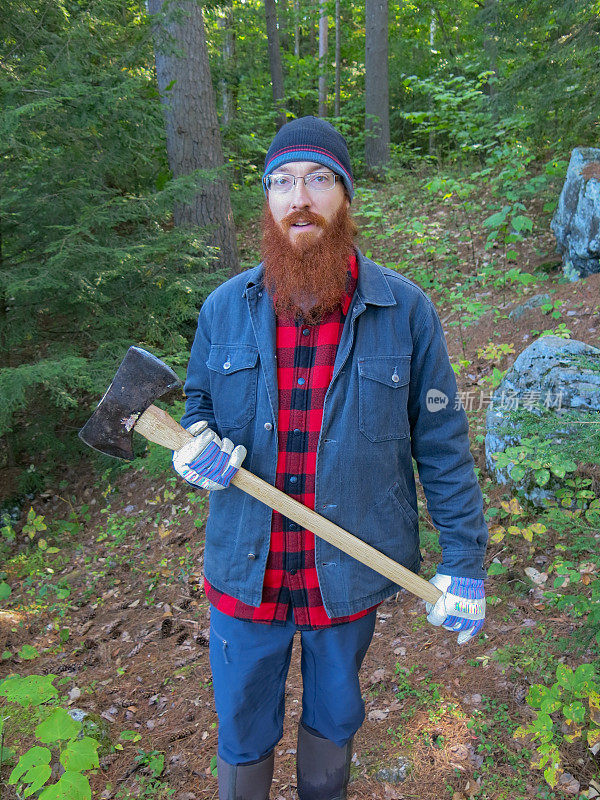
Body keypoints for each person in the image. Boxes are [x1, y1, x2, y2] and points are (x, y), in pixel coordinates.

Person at [172, 116, 488, 800]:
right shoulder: (225, 308)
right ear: (267, 201)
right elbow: (195, 400)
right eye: (281, 182)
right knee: (243, 730)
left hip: (345, 574)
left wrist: (463, 563)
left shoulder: (404, 311)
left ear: (344, 197)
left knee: (335, 720)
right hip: (245, 573)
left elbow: (443, 446)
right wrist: (191, 444)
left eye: (318, 179)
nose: (299, 197)